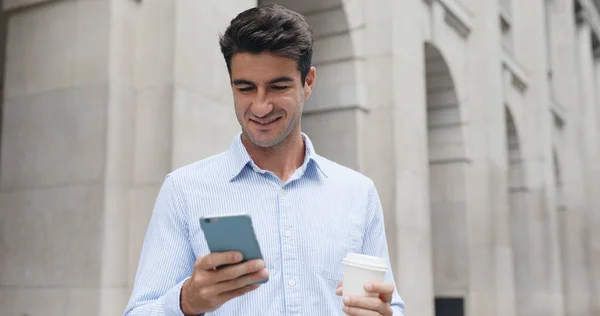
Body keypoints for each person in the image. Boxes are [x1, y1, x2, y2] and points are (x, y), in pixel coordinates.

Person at [123, 4, 405, 316]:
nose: (259, 106)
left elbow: (390, 306)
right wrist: (186, 302)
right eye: (245, 88)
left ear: (307, 82)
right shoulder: (184, 190)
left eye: (278, 86)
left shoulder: (358, 193)